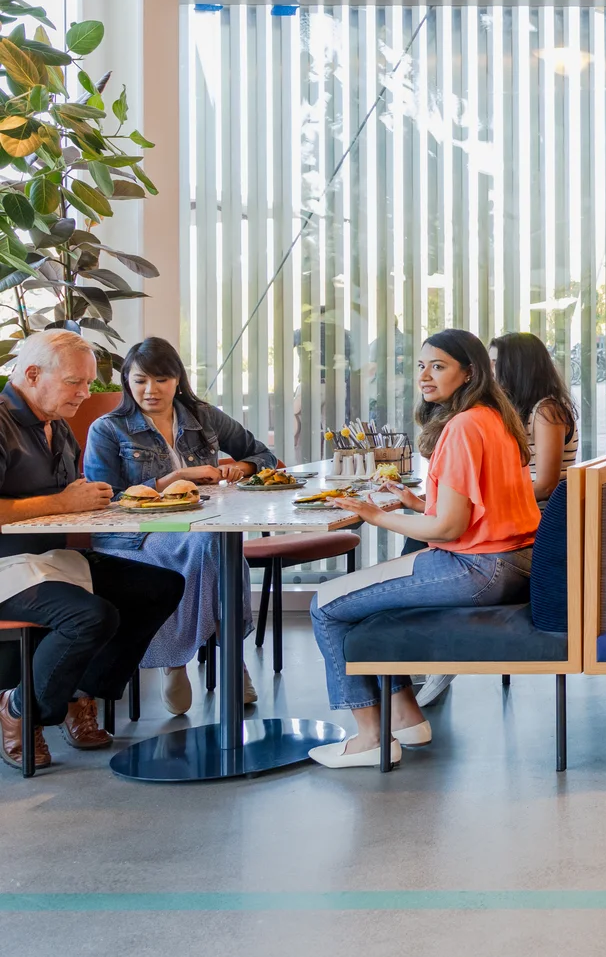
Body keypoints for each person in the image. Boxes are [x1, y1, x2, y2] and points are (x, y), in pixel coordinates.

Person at [307, 329, 543, 769]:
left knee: (325, 605)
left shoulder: (463, 427)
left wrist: (373, 514)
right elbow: (482, 505)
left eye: (438, 366)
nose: (425, 376)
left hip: (475, 567)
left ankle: (369, 739)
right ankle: (406, 717)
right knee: (368, 605)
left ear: (468, 373)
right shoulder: (496, 417)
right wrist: (416, 503)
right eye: (421, 366)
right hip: (515, 562)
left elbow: (450, 528)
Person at [0, 331, 182, 771]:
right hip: (7, 564)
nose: (86, 393)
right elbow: (60, 503)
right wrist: (64, 504)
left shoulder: (57, 425)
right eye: (74, 383)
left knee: (160, 586)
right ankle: (19, 712)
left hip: (49, 560)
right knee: (91, 616)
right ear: (31, 374)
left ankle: (82, 694)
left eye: (89, 382)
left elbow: (72, 500)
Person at [82, 337, 281, 715]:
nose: (150, 390)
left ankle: (213, 657)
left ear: (177, 380)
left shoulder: (202, 417)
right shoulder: (107, 429)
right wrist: (172, 479)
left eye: (161, 379)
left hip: (199, 529)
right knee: (212, 549)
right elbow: (103, 501)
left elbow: (263, 454)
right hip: (132, 539)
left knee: (215, 545)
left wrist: (242, 467)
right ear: (127, 381)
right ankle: (192, 660)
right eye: (140, 380)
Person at [492, 332, 578, 504]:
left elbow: (546, 487)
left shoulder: (546, 411)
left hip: (542, 517)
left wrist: (493, 503)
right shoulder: (517, 407)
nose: (488, 372)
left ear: (517, 368)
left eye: (495, 364)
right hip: (523, 510)